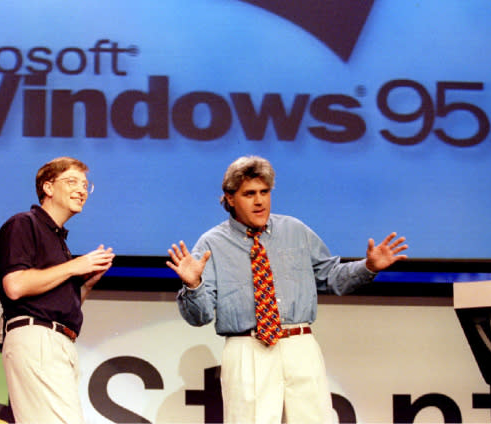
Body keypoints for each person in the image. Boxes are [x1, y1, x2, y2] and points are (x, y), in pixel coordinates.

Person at [166, 155, 408, 424]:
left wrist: (368, 267)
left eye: (264, 192)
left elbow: (331, 277)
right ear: (230, 198)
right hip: (248, 348)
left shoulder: (295, 230)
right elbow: (200, 317)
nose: (259, 201)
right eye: (249, 194)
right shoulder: (212, 243)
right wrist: (193, 285)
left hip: (300, 345)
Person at [0, 156, 115, 423]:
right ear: (48, 188)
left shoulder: (59, 240)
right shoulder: (24, 223)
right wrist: (74, 267)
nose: (82, 190)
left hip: (57, 342)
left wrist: (86, 283)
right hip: (38, 340)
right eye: (72, 181)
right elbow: (14, 286)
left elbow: (56, 304)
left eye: (86, 185)